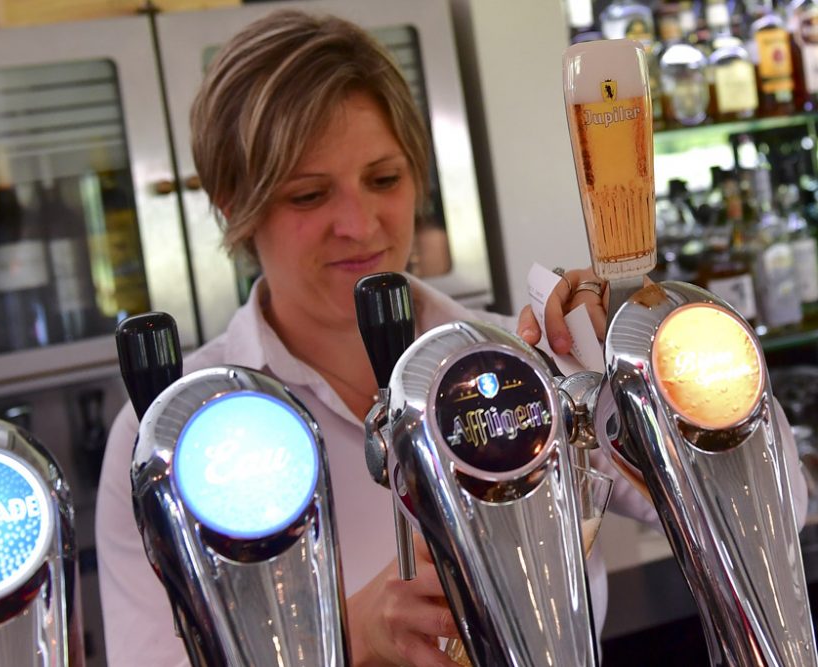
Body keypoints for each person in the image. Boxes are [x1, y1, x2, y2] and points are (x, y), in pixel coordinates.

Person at [95, 9, 806, 667]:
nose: (361, 223)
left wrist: (640, 361)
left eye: (384, 178)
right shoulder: (179, 434)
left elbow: (775, 507)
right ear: (235, 210)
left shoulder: (515, 361)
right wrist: (347, 633)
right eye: (309, 195)